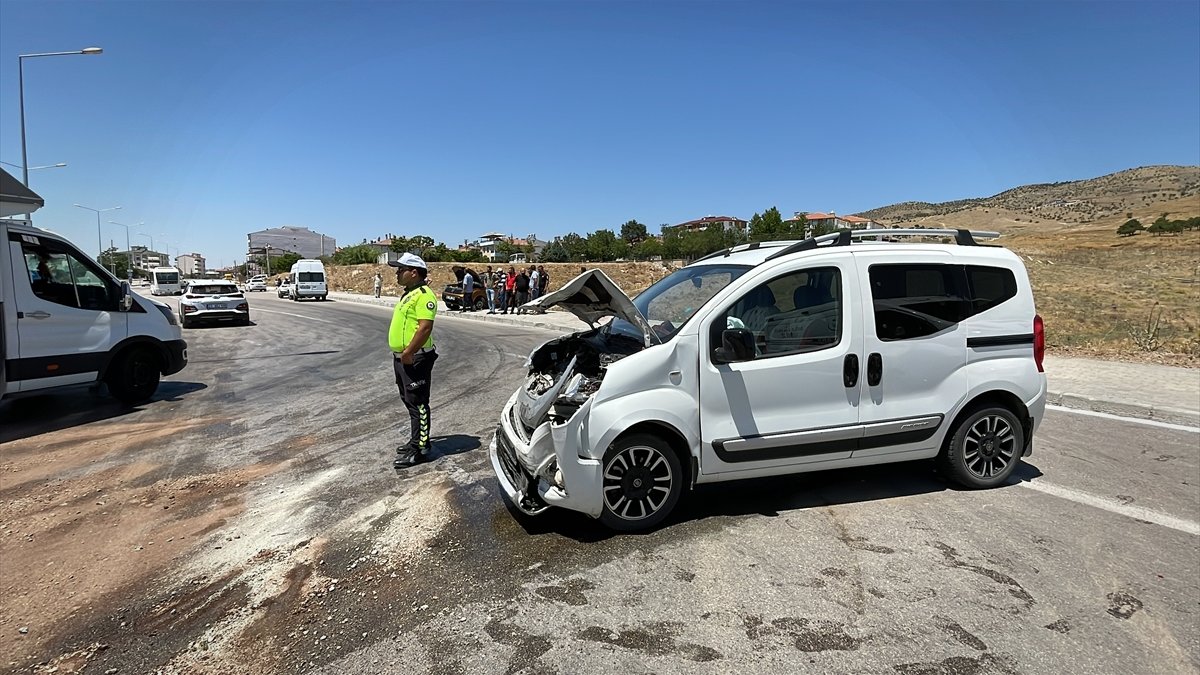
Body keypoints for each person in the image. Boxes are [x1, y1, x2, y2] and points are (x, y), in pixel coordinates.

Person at [387, 253, 439, 468]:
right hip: (403, 358)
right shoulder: (409, 294)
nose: (397, 273)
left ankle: (421, 449)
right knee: (410, 401)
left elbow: (425, 327)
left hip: (415, 358)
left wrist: (408, 352)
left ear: (414, 272)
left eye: (401, 270)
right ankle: (415, 440)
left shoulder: (424, 295)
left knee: (418, 403)